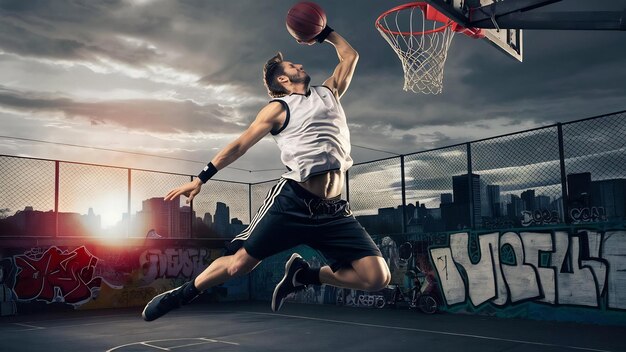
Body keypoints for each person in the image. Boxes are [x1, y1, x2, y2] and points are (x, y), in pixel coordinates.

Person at [142, 24, 390, 322]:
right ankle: (179, 295)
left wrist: (323, 33)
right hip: (293, 203)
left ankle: (306, 276)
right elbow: (239, 145)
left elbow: (350, 55)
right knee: (239, 265)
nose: (300, 64)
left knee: (377, 278)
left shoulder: (329, 92)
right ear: (283, 79)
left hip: (333, 210)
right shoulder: (278, 108)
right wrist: (201, 177)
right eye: (292, 65)